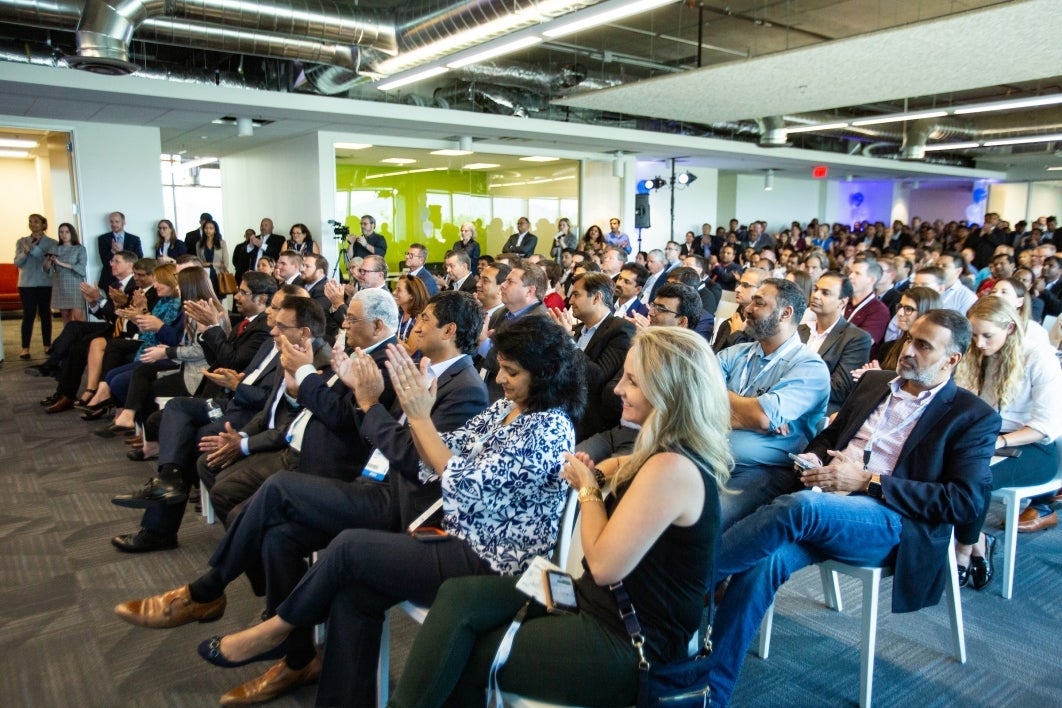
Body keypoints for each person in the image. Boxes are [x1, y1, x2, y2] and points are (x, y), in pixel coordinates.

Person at [126, 317, 586, 706]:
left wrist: (417, 413)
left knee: (345, 549)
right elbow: (438, 461)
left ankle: (278, 627)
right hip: (453, 532)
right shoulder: (509, 408)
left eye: (512, 372)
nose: (500, 380)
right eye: (501, 369)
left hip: (492, 559)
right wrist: (419, 419)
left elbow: (455, 477)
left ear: (544, 375)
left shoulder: (549, 427)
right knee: (353, 594)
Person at [389, 327, 733, 707]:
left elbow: (603, 565)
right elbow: (622, 465)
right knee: (457, 595)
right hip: (589, 598)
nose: (618, 388)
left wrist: (588, 488)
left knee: (461, 650)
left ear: (670, 392)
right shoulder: (664, 451)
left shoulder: (672, 467)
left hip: (622, 638)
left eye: (633, 381)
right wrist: (599, 474)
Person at [703, 309, 1000, 706]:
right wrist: (816, 461)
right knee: (761, 566)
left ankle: (689, 581)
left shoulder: (973, 416)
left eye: (923, 346)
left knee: (800, 508)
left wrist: (866, 481)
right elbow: (828, 437)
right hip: (828, 499)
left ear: (952, 359)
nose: (907, 350)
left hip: (891, 520)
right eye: (908, 339)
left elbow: (964, 502)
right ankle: (709, 692)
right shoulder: (877, 383)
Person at [715, 278, 829, 529]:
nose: (747, 309)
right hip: (709, 456)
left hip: (761, 470)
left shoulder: (809, 367)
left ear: (785, 313)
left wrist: (740, 410)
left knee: (702, 522)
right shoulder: (737, 353)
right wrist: (751, 412)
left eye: (759, 303)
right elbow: (692, 393)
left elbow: (761, 417)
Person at [953, 297, 1062, 553]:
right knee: (937, 464)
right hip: (990, 438)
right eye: (975, 335)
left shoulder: (1038, 357)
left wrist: (999, 441)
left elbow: (1045, 426)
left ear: (1010, 328)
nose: (979, 343)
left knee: (977, 476)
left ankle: (964, 550)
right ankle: (977, 540)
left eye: (987, 335)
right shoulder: (977, 354)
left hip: (1034, 446)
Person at [798, 272, 872, 414]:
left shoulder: (856, 338)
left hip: (818, 411)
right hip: (785, 403)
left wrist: (792, 382)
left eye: (825, 293)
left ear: (842, 302)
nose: (816, 295)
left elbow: (839, 389)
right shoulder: (800, 330)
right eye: (816, 289)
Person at [852, 286, 942, 380]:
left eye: (908, 309)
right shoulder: (888, 347)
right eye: (900, 307)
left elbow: (916, 387)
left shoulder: (929, 354)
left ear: (925, 313)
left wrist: (879, 377)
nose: (899, 313)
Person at [14, 213, 58, 359]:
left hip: (45, 283)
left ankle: (47, 345)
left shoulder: (51, 242)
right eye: (30, 221)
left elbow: (46, 259)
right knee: (28, 315)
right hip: (26, 284)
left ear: (44, 225)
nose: (33, 224)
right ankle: (25, 348)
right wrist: (25, 252)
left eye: (36, 221)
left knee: (45, 314)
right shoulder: (21, 242)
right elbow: (17, 262)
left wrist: (33, 249)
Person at [988, 277, 1052, 351]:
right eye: (993, 292)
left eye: (1004, 292)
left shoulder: (1035, 331)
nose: (996, 295)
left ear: (1019, 302)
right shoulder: (983, 323)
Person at [46, 221, 87, 324]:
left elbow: (81, 268)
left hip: (75, 283)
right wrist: (49, 260)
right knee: (65, 316)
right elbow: (47, 269)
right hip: (60, 283)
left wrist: (60, 263)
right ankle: (69, 339)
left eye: (67, 232)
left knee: (78, 315)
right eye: (61, 232)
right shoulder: (54, 248)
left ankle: (83, 339)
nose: (64, 235)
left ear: (72, 233)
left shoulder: (79, 249)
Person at [96, 212, 143, 290]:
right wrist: (112, 251)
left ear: (123, 222)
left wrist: (122, 251)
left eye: (117, 221)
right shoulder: (103, 238)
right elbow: (104, 261)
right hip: (109, 279)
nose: (114, 224)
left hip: (130, 279)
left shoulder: (134, 239)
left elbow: (139, 258)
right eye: (111, 222)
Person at [395, 274, 430, 354]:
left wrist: (387, 335)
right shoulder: (398, 313)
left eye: (399, 290)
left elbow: (409, 351)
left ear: (412, 295)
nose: (394, 292)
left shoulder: (421, 318)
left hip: (415, 364)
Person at [195, 219, 229, 297]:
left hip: (218, 275)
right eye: (206, 228)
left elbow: (225, 263)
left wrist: (210, 264)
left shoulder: (222, 243)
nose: (208, 230)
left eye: (211, 228)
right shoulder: (199, 244)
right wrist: (203, 264)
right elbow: (199, 261)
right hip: (205, 275)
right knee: (206, 299)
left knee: (218, 301)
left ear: (215, 230)